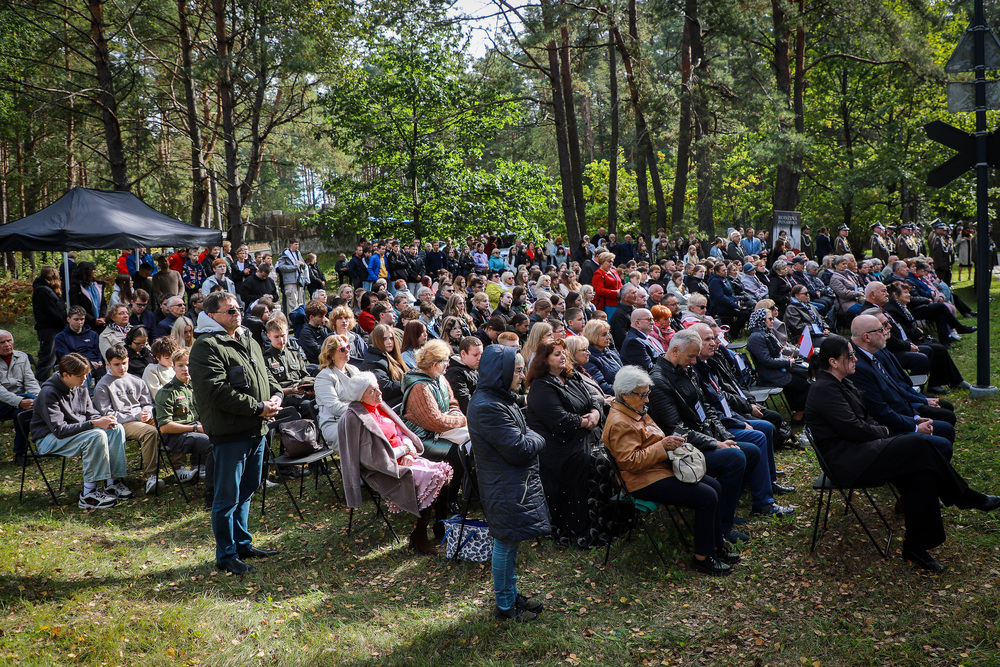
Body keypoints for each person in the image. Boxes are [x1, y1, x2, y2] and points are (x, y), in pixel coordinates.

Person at [805, 335, 999, 571]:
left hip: (862, 451)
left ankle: (917, 547)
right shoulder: (825, 388)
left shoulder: (842, 382)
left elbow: (865, 421)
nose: (856, 359)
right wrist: (886, 429)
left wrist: (882, 429)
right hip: (847, 461)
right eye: (851, 355)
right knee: (917, 445)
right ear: (834, 362)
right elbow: (855, 429)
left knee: (921, 471)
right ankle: (964, 496)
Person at [603, 366, 739, 576]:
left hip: (657, 470)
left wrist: (671, 442)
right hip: (641, 481)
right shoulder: (620, 422)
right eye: (643, 395)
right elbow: (630, 462)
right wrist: (663, 446)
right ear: (625, 395)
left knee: (714, 485)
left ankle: (716, 545)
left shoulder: (633, 409)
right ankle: (702, 558)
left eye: (647, 393)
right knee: (707, 496)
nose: (647, 400)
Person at [189, 292, 282, 575]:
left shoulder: (247, 338)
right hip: (231, 432)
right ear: (212, 316)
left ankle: (242, 544)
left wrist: (276, 396)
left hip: (257, 428)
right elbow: (216, 392)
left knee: (248, 488)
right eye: (230, 311)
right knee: (227, 496)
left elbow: (265, 375)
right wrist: (258, 407)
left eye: (238, 308)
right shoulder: (206, 346)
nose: (237, 313)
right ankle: (226, 555)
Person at [648, 330, 755, 543]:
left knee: (750, 451)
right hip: (681, 451)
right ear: (675, 350)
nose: (695, 361)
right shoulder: (659, 381)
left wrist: (724, 436)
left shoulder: (686, 369)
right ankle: (723, 527)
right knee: (736, 458)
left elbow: (705, 408)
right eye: (691, 356)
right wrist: (716, 443)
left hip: (702, 437)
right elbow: (676, 430)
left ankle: (722, 512)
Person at [469, 348, 547, 618]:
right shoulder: (488, 406)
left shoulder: (500, 399)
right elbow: (519, 447)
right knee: (505, 542)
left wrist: (529, 436)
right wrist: (539, 439)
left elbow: (525, 434)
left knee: (510, 541)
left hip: (510, 481)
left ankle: (511, 595)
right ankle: (505, 606)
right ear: (499, 372)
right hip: (503, 484)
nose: (522, 375)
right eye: (517, 370)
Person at [337, 372, 453, 554]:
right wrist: (403, 452)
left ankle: (440, 526)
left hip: (403, 457)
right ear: (360, 396)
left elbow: (402, 432)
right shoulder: (353, 417)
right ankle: (419, 534)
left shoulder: (379, 406)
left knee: (444, 474)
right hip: (382, 470)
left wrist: (409, 449)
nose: (379, 393)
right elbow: (368, 458)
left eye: (377, 387)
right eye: (372, 391)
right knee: (434, 476)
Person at [525, 339, 602, 547]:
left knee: (608, 460)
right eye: (557, 354)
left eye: (563, 353)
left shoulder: (571, 376)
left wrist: (595, 413)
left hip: (583, 437)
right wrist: (586, 421)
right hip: (559, 447)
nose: (563, 357)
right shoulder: (541, 386)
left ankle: (604, 519)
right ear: (544, 360)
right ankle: (579, 525)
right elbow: (560, 422)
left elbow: (593, 398)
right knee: (589, 462)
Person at [31, 353, 130, 510]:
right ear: (65, 375)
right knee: (96, 435)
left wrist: (105, 421)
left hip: (77, 433)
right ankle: (88, 494)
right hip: (48, 439)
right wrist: (94, 424)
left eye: (86, 375)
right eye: (80, 376)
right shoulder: (48, 393)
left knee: (116, 429)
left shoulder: (80, 387)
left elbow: (91, 414)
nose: (84, 379)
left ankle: (113, 482)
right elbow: (59, 430)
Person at [849, 314, 955, 457]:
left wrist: (916, 417)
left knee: (946, 428)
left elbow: (895, 390)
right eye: (880, 329)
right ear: (867, 337)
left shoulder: (871, 354)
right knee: (944, 438)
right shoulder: (860, 366)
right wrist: (915, 426)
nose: (886, 331)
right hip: (887, 430)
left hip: (903, 414)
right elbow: (880, 411)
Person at [93, 343, 164, 495]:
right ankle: (151, 476)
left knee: (167, 424)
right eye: (116, 364)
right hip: (122, 423)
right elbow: (108, 415)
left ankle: (179, 467)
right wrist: (136, 416)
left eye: (124, 363)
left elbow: (147, 403)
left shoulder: (136, 380)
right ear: (108, 364)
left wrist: (147, 412)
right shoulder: (103, 386)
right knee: (151, 432)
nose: (122, 367)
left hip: (141, 417)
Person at [153, 348, 215, 507]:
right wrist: (195, 429)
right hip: (177, 436)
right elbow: (165, 427)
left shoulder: (196, 386)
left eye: (188, 364)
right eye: (180, 365)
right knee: (212, 445)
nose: (185, 369)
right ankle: (212, 495)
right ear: (173, 367)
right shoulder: (167, 392)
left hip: (198, 429)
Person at [745, 309, 810, 421]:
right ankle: (799, 415)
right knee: (802, 381)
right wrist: (787, 362)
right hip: (770, 374)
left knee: (804, 375)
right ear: (761, 320)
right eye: (770, 319)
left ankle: (801, 411)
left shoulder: (765, 333)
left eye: (773, 319)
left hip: (778, 369)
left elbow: (777, 354)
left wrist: (786, 359)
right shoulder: (756, 337)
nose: (773, 321)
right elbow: (767, 361)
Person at [0, 330, 40, 465]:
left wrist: (37, 398)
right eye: (2, 342)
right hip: (2, 402)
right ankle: (31, 447)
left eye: (9, 341)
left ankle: (20, 453)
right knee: (24, 405)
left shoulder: (22, 357)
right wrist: (20, 401)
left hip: (22, 401)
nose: (7, 345)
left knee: (21, 412)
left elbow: (31, 381)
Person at [262, 318, 314, 420]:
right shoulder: (266, 358)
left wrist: (308, 386)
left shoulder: (294, 353)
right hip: (283, 397)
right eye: (276, 337)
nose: (281, 340)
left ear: (287, 333)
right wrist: (290, 391)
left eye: (283, 336)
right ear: (269, 337)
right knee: (307, 405)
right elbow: (269, 388)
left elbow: (305, 375)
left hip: (300, 392)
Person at [314, 335, 359, 447]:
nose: (347, 350)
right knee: (367, 431)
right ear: (331, 355)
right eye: (342, 349)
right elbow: (335, 408)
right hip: (336, 424)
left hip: (359, 417)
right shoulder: (324, 377)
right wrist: (362, 408)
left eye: (348, 347)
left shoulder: (354, 369)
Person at [363, 323, 408, 407]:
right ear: (377, 340)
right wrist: (408, 381)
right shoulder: (373, 361)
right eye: (384, 339)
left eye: (391, 338)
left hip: (400, 401)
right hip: (388, 406)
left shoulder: (394, 356)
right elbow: (385, 389)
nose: (389, 342)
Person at [54, 306, 103, 378]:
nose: (79, 322)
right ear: (68, 319)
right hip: (76, 368)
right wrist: (88, 363)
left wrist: (99, 361)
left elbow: (99, 351)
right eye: (76, 319)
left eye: (82, 319)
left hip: (97, 366)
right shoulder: (61, 337)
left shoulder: (93, 335)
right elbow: (66, 358)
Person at [582, 319, 621, 395]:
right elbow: (601, 386)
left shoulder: (610, 352)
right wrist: (626, 391)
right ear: (593, 336)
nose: (608, 337)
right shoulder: (589, 358)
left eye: (608, 333)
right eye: (604, 335)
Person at [444, 336, 482, 415]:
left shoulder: (474, 367)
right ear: (463, 354)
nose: (479, 358)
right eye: (475, 355)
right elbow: (464, 402)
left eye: (481, 354)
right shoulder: (454, 373)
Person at [69, 262, 107, 332]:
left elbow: (103, 303)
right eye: (92, 270)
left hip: (100, 324)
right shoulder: (76, 288)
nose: (94, 272)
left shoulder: (97, 286)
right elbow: (76, 307)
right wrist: (92, 320)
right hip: (86, 325)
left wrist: (102, 317)